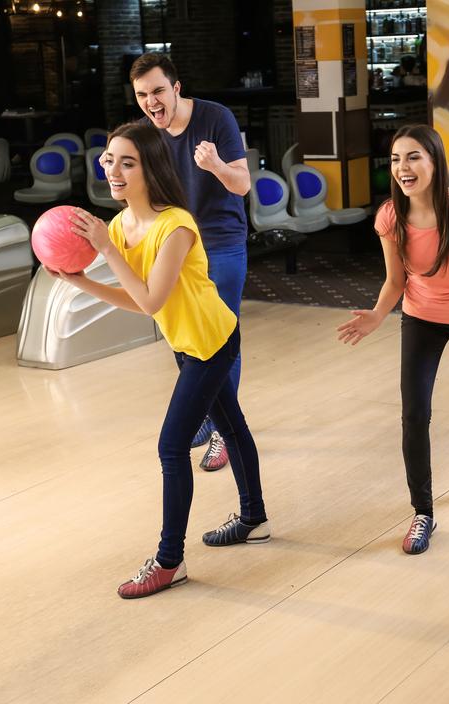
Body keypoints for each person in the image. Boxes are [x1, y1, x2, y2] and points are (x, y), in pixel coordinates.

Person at [53, 122, 269, 599]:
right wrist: (80, 282)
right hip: (185, 341)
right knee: (232, 428)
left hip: (212, 342)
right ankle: (254, 519)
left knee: (172, 448)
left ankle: (170, 560)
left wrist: (106, 252)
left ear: (150, 169)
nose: (113, 169)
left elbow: (151, 301)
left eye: (127, 162)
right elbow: (143, 301)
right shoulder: (120, 225)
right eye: (109, 159)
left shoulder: (176, 225)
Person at [336, 125, 449, 556]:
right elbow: (396, 280)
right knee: (414, 414)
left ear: (435, 161)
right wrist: (377, 314)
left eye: (413, 157)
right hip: (422, 318)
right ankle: (423, 512)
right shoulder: (390, 217)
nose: (402, 168)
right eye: (395, 159)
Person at [130, 53, 251, 472]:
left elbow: (243, 183)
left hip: (220, 240)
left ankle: (224, 430)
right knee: (184, 339)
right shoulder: (144, 135)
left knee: (220, 338)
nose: (152, 101)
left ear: (176, 88)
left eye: (158, 91)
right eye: (143, 95)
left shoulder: (216, 118)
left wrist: (216, 165)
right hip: (175, 244)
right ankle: (210, 414)